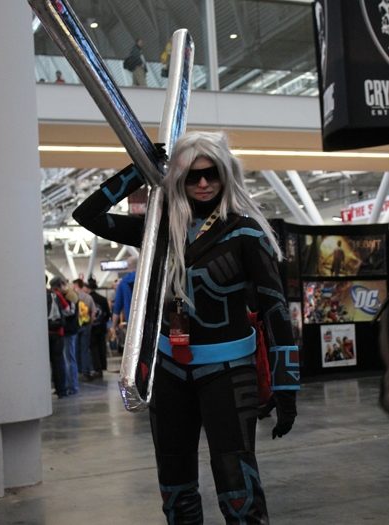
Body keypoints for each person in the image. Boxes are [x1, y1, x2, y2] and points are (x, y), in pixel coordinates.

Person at [73, 131, 299, 523]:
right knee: (174, 483)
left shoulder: (245, 232)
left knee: (237, 484)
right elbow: (87, 215)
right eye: (193, 175)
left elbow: (274, 308)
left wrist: (286, 385)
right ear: (178, 178)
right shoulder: (158, 229)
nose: (204, 183)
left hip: (229, 372)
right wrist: (138, 170)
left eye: (212, 173)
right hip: (169, 370)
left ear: (226, 174)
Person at [47, 276, 70, 398]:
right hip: (58, 333)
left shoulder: (41, 295)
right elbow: (68, 310)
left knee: (48, 363)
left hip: (46, 334)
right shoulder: (57, 295)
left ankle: (51, 388)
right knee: (59, 362)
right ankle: (61, 390)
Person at [72, 278, 96, 381]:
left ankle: (78, 371)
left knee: (76, 349)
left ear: (77, 285)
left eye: (73, 285)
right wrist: (90, 323)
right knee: (85, 349)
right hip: (86, 325)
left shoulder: (73, 297)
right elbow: (93, 312)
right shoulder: (88, 297)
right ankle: (86, 371)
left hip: (76, 326)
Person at [87, 277, 111, 377]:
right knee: (102, 347)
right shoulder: (103, 299)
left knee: (93, 348)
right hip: (101, 327)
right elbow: (108, 314)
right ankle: (103, 366)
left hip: (92, 327)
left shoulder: (87, 299)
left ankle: (97, 368)